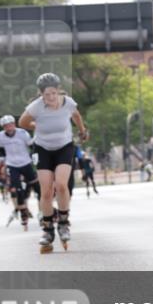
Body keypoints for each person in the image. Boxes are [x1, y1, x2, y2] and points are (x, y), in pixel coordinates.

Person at [18, 73, 89, 253]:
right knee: (47, 191)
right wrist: (37, 126)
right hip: (42, 149)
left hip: (64, 146)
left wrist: (82, 131)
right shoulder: (36, 107)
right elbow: (22, 122)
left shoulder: (68, 103)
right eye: (46, 94)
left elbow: (77, 116)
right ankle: (48, 230)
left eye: (53, 93)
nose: (50, 97)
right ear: (41, 94)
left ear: (58, 91)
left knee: (62, 185)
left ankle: (64, 223)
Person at [0, 115, 39, 231]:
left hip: (26, 162)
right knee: (17, 189)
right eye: (6, 126)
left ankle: (45, 209)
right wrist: (2, 159)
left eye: (11, 125)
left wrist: (34, 157)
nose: (9, 127)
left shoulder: (22, 133)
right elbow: (0, 149)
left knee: (36, 186)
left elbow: (31, 145)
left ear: (14, 124)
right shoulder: (0, 137)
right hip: (12, 164)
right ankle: (23, 213)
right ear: (3, 127)